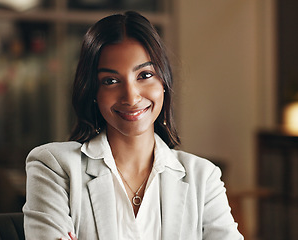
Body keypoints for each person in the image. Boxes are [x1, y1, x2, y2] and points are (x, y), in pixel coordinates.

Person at [22, 11, 244, 240]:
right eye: (110, 81)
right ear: (93, 92)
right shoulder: (54, 167)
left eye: (144, 75)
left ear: (163, 83)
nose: (131, 96)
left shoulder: (203, 177)